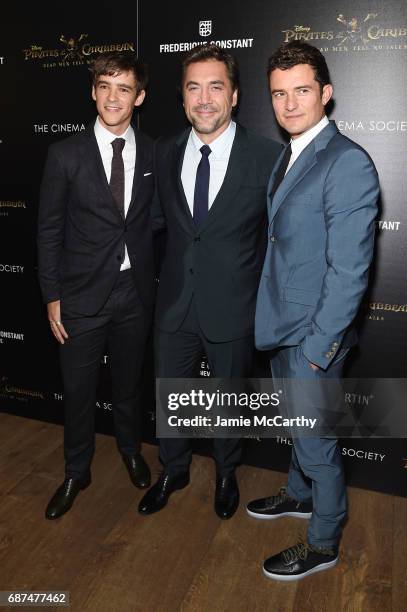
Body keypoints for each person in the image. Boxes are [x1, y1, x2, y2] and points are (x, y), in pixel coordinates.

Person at [247, 41, 379, 580]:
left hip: (312, 338)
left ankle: (323, 541)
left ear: (325, 93)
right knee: (298, 430)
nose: (290, 104)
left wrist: (318, 349)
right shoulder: (290, 153)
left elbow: (350, 272)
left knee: (316, 440)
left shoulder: (347, 162)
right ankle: (299, 495)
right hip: (282, 323)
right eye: (279, 94)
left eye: (302, 91)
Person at [138, 44, 281, 519]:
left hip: (234, 306)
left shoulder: (268, 157)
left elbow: (280, 239)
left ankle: (225, 474)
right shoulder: (164, 150)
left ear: (234, 95)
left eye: (215, 86)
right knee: (172, 399)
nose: (204, 99)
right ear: (181, 98)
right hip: (174, 303)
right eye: (193, 88)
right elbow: (155, 223)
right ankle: (172, 471)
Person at [37, 52, 155, 520]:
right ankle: (75, 471)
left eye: (123, 88)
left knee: (128, 385)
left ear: (139, 97)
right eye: (105, 85)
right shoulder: (65, 152)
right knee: (80, 389)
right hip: (81, 296)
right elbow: (48, 230)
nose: (113, 96)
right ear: (93, 92)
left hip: (134, 293)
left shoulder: (152, 151)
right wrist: (51, 296)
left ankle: (130, 450)